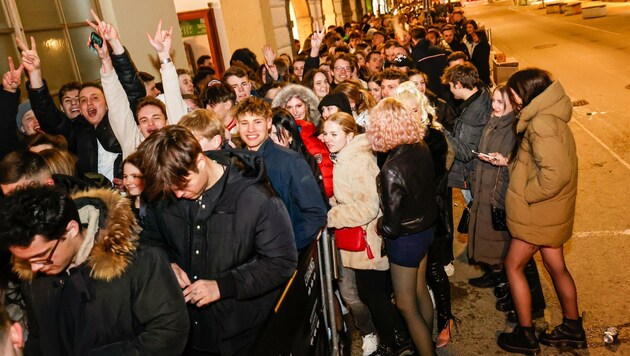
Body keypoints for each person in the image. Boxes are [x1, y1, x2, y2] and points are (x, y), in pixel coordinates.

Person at [137, 126, 298, 355]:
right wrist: (165, 264)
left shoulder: (256, 199)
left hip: (242, 334)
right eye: (171, 189)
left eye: (183, 185)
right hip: (185, 330)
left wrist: (223, 286)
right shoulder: (166, 192)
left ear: (200, 162)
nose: (178, 195)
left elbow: (281, 262)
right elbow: (151, 238)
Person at [0, 186, 190, 355]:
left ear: (71, 230)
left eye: (42, 256)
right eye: (26, 259)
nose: (34, 268)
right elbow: (38, 336)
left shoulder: (141, 262)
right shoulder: (33, 273)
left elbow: (170, 331)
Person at [494, 68, 585, 354]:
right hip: (551, 211)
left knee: (513, 265)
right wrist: (509, 165)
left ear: (528, 93)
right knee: (556, 266)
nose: (514, 100)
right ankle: (572, 328)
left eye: (514, 94)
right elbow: (536, 164)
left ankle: (526, 335)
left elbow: (555, 175)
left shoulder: (541, 123)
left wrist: (524, 195)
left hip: (539, 212)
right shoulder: (548, 117)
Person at [323, 112, 407, 355]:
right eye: (326, 133)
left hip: (367, 242)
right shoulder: (345, 156)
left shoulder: (357, 161)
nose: (328, 138)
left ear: (350, 135)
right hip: (357, 241)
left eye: (334, 134)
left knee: (374, 297)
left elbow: (368, 207)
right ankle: (397, 338)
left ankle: (394, 341)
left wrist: (332, 216)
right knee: (371, 296)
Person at [367, 98, 438, 356]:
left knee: (406, 305)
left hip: (406, 241)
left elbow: (392, 226)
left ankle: (425, 351)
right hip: (426, 232)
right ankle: (425, 345)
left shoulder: (391, 169)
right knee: (420, 291)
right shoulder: (420, 146)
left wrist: (378, 225)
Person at [395, 82, 457, 348]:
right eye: (403, 110)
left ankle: (446, 322)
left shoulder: (430, 137)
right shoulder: (405, 138)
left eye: (412, 109)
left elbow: (432, 177)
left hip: (430, 215)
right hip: (420, 219)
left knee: (435, 270)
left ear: (421, 109)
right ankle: (425, 334)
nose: (409, 114)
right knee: (421, 282)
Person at [235, 97, 327, 251]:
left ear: (269, 123)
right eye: (245, 123)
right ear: (237, 126)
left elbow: (315, 213)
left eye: (257, 122)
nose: (251, 129)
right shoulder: (235, 163)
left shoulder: (291, 161)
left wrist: (287, 247)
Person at [441, 63, 492, 208]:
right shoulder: (483, 96)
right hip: (477, 173)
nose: (450, 90)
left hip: (471, 175)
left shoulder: (472, 116)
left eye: (450, 85)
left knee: (474, 210)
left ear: (458, 85)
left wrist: (442, 131)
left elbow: (465, 153)